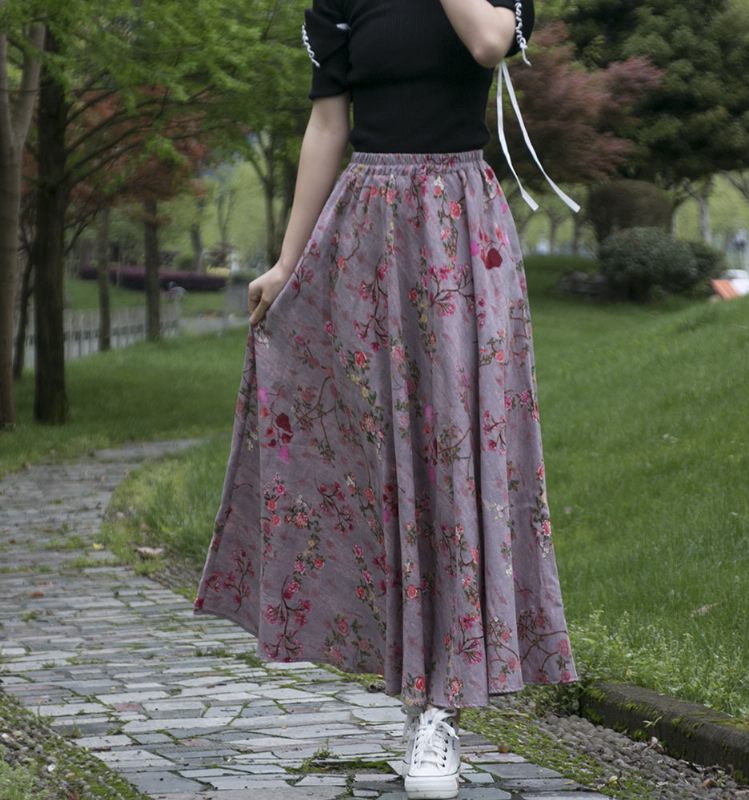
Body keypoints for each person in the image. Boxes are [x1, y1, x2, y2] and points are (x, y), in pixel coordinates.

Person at [193, 1, 580, 798]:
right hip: (365, 236)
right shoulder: (340, 1)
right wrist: (286, 260)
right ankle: (414, 686)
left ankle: (442, 709)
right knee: (379, 468)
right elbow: (327, 126)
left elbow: (486, 43)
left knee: (455, 467)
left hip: (461, 235)